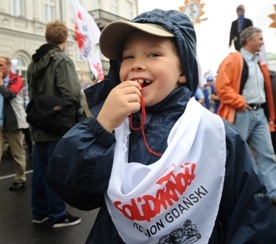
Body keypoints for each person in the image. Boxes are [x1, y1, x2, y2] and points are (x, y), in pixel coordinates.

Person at [47, 9, 276, 243]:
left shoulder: (215, 133)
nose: (137, 65)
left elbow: (249, 217)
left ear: (183, 72)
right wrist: (100, 126)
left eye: (153, 54)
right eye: (128, 57)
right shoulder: (113, 126)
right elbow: (72, 189)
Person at [27, 20, 82, 228]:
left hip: (39, 123)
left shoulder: (34, 62)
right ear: (64, 39)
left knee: (40, 170)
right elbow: (72, 94)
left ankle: (39, 212)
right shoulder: (61, 60)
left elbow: (32, 93)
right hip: (58, 124)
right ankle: (57, 214)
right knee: (57, 169)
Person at [215, 26, 276, 205]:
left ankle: (272, 194)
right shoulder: (234, 59)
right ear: (248, 40)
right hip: (242, 113)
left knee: (268, 154)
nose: (262, 42)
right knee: (236, 156)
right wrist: (240, 103)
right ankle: (231, 196)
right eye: (260, 38)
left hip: (259, 114)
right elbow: (221, 87)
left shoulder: (258, 62)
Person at [0, 56, 28, 191]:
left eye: (0, 65)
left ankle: (20, 179)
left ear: (8, 66)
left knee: (17, 153)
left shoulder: (16, 79)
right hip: (0, 123)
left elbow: (8, 95)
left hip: (13, 122)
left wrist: (0, 83)